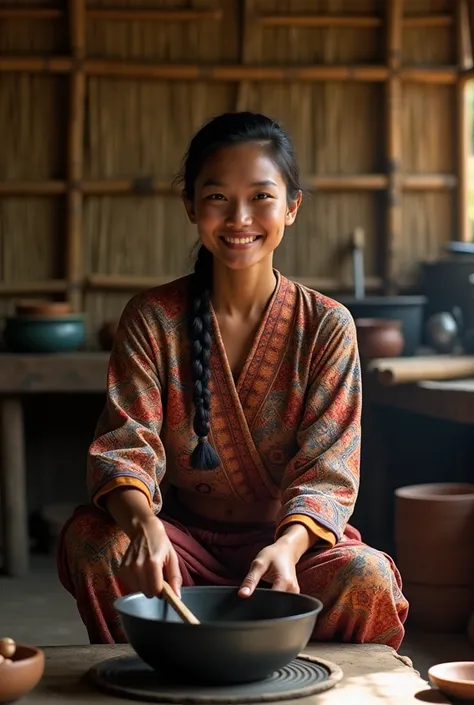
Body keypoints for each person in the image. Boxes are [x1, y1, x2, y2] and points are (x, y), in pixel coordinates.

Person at [58, 111, 408, 648]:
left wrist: (289, 547)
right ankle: (142, 677)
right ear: (191, 206)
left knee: (367, 577)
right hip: (179, 548)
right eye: (218, 197)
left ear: (292, 206)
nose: (239, 217)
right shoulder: (153, 318)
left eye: (261, 196)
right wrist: (142, 526)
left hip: (288, 549)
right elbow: (127, 444)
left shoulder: (325, 326)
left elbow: (329, 470)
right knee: (94, 542)